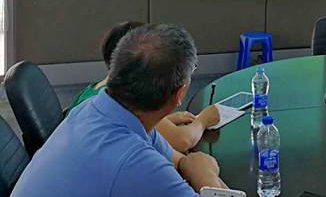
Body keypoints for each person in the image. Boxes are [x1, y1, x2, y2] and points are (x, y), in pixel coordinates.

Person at [12, 24, 228, 196]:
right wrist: (206, 176)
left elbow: (180, 161)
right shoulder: (136, 161)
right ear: (180, 94)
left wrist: (194, 168)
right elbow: (184, 166)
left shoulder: (96, 108)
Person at [68, 21, 219, 152]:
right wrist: (204, 120)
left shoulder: (95, 93)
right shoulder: (127, 103)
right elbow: (182, 140)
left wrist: (168, 120)